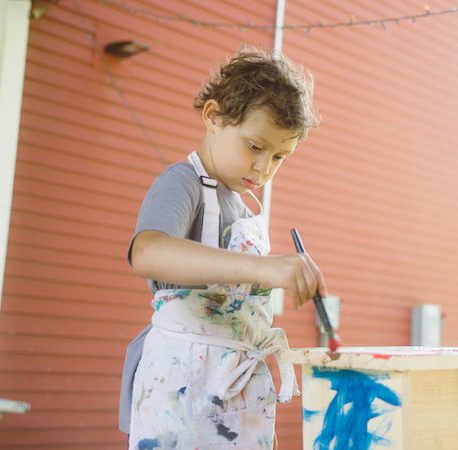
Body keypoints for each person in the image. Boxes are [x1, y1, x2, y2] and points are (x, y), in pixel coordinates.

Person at [124, 47, 325, 450]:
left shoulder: (245, 204)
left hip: (232, 387)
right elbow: (147, 253)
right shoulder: (184, 183)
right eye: (255, 146)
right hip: (182, 387)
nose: (264, 168)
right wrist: (263, 269)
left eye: (279, 156)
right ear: (213, 116)